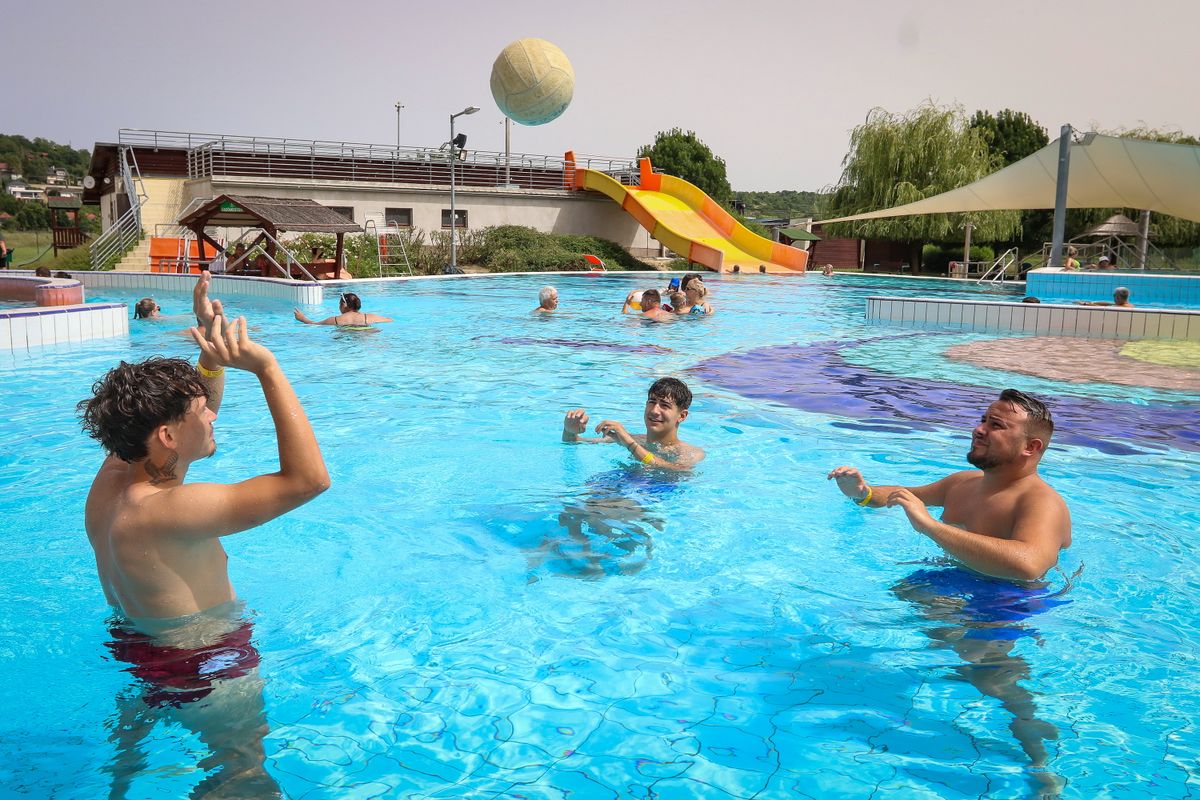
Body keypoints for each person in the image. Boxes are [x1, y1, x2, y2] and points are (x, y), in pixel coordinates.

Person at [79, 271, 330, 622]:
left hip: (134, 641)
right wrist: (267, 368)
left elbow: (182, 423)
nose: (213, 416)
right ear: (167, 437)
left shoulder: (114, 475)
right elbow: (309, 481)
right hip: (202, 664)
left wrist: (211, 356)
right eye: (203, 412)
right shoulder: (173, 509)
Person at [828, 389, 1071, 581]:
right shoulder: (963, 483)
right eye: (983, 420)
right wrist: (863, 493)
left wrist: (929, 526)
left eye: (996, 425)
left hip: (1010, 601)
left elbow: (1029, 566)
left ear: (1031, 447)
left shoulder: (1042, 502)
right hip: (952, 578)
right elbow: (902, 495)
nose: (978, 429)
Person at [562, 377, 705, 471]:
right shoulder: (635, 439)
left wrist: (630, 445)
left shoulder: (690, 452)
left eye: (665, 406)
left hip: (656, 495)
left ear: (682, 416)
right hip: (621, 484)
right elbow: (573, 443)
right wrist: (569, 431)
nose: (655, 411)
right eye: (652, 402)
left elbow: (678, 470)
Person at [293, 291, 392, 328]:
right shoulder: (370, 317)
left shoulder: (335, 320)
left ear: (344, 305)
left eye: (339, 303)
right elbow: (390, 320)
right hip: (365, 334)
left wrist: (302, 318)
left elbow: (314, 324)